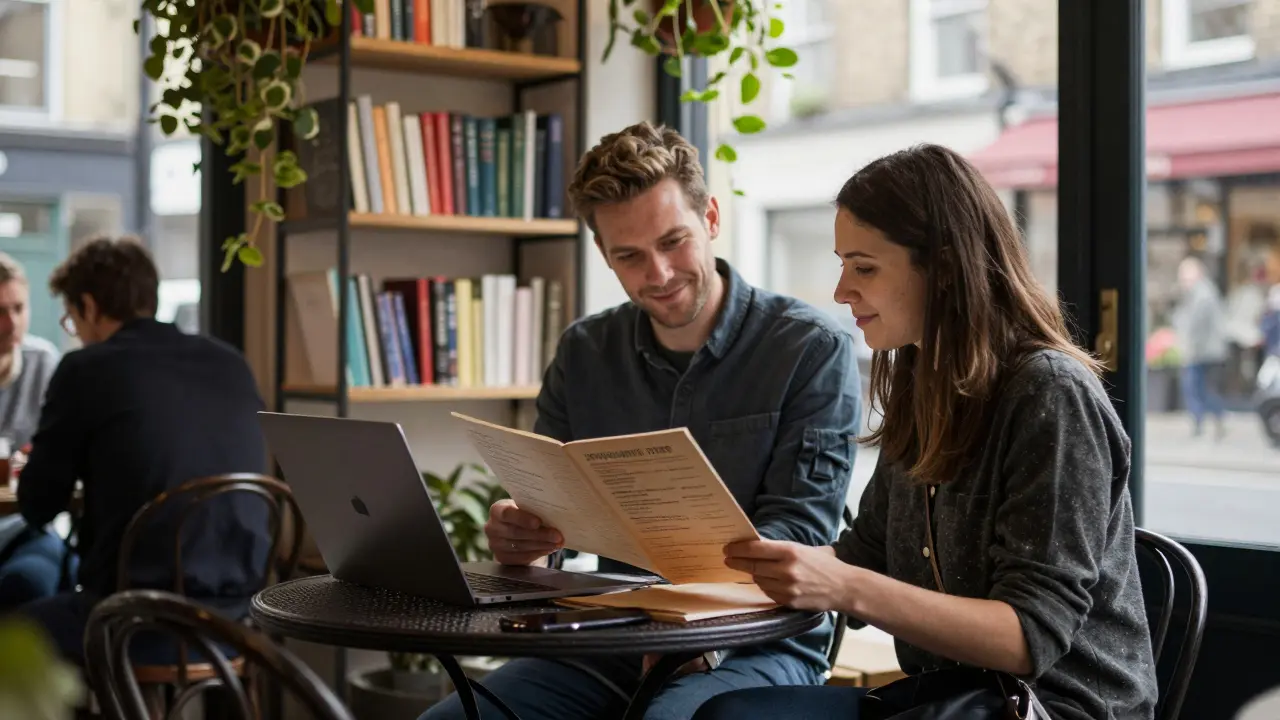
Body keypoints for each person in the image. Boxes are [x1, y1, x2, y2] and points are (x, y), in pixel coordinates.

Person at [692, 145, 1159, 720]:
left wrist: (842, 586)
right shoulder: (924, 385)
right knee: (727, 717)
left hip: (1053, 708)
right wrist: (709, 577)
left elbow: (1027, 639)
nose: (841, 292)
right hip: (950, 700)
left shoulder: (1051, 395)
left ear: (942, 269)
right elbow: (866, 555)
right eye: (843, 265)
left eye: (864, 267)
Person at [422, 122, 862, 720]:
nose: (657, 273)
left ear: (710, 218)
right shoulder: (584, 351)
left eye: (673, 241)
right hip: (614, 635)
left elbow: (800, 532)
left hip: (759, 642)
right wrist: (520, 538)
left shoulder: (809, 347)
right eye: (629, 255)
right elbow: (543, 514)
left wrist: (692, 644)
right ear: (604, 255)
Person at [7, 236, 273, 665]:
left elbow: (38, 505)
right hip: (236, 619)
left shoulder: (85, 370)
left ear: (89, 306)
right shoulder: (230, 362)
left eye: (72, 320)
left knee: (13, 634)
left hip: (133, 619)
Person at [0, 251, 65, 610]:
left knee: (30, 582)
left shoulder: (44, 361)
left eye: (18, 309)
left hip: (26, 527)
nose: (11, 324)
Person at [1172, 256, 1229, 438]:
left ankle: (1202, 421)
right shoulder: (1201, 292)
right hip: (1206, 351)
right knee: (1202, 388)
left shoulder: (1202, 294)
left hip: (1201, 353)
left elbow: (1195, 326)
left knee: (1197, 388)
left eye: (1185, 277)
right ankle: (1211, 420)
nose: (1183, 281)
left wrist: (1188, 350)